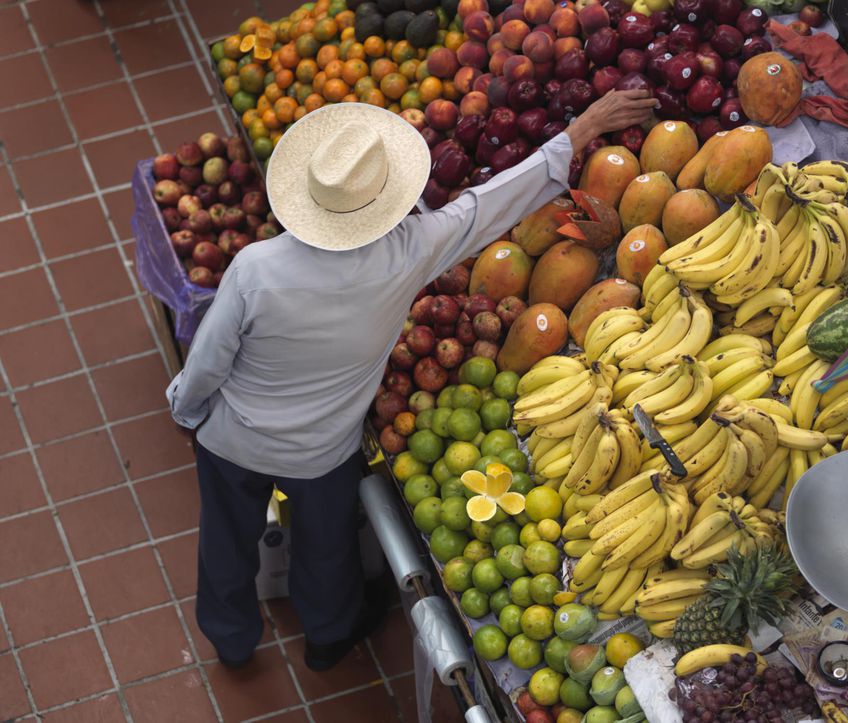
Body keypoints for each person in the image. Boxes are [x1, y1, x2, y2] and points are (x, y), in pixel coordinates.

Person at [166, 88, 658, 672]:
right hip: (322, 454)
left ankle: (230, 638)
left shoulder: (255, 269)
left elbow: (209, 362)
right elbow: (487, 206)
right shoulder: (406, 253)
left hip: (233, 440)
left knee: (225, 543)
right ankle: (327, 638)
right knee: (327, 552)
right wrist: (581, 130)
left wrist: (186, 411)